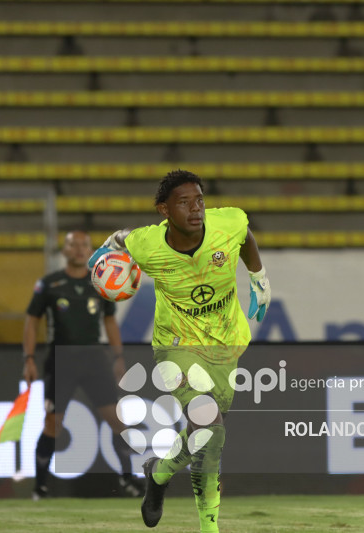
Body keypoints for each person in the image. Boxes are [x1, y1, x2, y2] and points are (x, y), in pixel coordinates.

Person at [89, 169, 271, 533]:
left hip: (224, 342)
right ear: (164, 211)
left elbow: (245, 236)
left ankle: (159, 473)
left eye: (200, 199)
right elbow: (119, 241)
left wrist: (258, 277)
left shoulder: (228, 222)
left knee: (204, 433)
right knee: (210, 427)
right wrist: (104, 253)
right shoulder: (147, 244)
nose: (196, 208)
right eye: (184, 202)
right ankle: (209, 526)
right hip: (176, 346)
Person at [22, 230, 143, 500]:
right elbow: (32, 319)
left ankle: (129, 479)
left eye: (84, 245)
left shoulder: (100, 282)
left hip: (93, 358)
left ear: (91, 251)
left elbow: (109, 321)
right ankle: (40, 487)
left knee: (116, 420)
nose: (79, 249)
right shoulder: (49, 284)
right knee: (53, 423)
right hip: (61, 358)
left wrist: (118, 356)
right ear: (64, 251)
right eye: (73, 245)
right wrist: (28, 358)